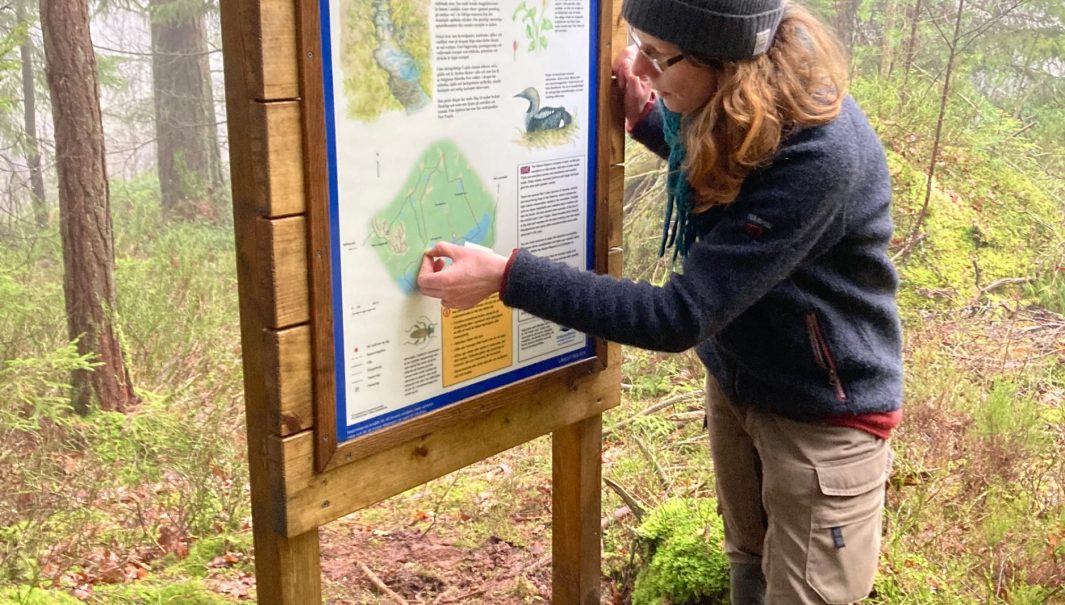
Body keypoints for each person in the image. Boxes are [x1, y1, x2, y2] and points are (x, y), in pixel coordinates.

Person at [418, 0, 902, 602]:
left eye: (657, 56)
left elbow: (678, 316)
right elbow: (730, 180)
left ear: (723, 61)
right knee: (748, 564)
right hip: (742, 381)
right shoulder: (746, 104)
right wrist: (650, 119)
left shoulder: (817, 154)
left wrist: (507, 278)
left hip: (823, 419)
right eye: (638, 46)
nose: (640, 69)